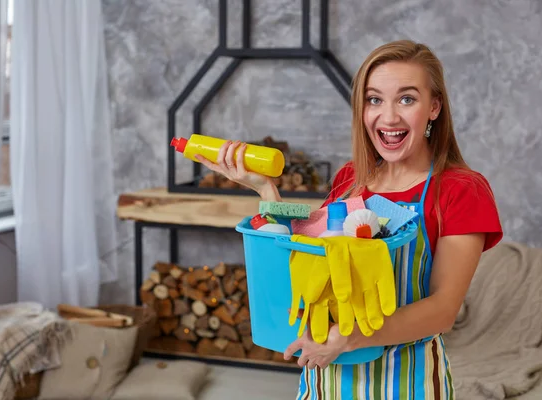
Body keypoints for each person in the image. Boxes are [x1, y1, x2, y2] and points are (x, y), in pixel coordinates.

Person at [196, 40, 503, 400]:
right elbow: (304, 254)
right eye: (374, 99)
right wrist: (265, 191)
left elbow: (442, 310)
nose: (388, 117)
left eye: (407, 99)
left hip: (406, 385)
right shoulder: (350, 179)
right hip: (325, 383)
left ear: (434, 107)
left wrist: (349, 338)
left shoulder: (460, 190)